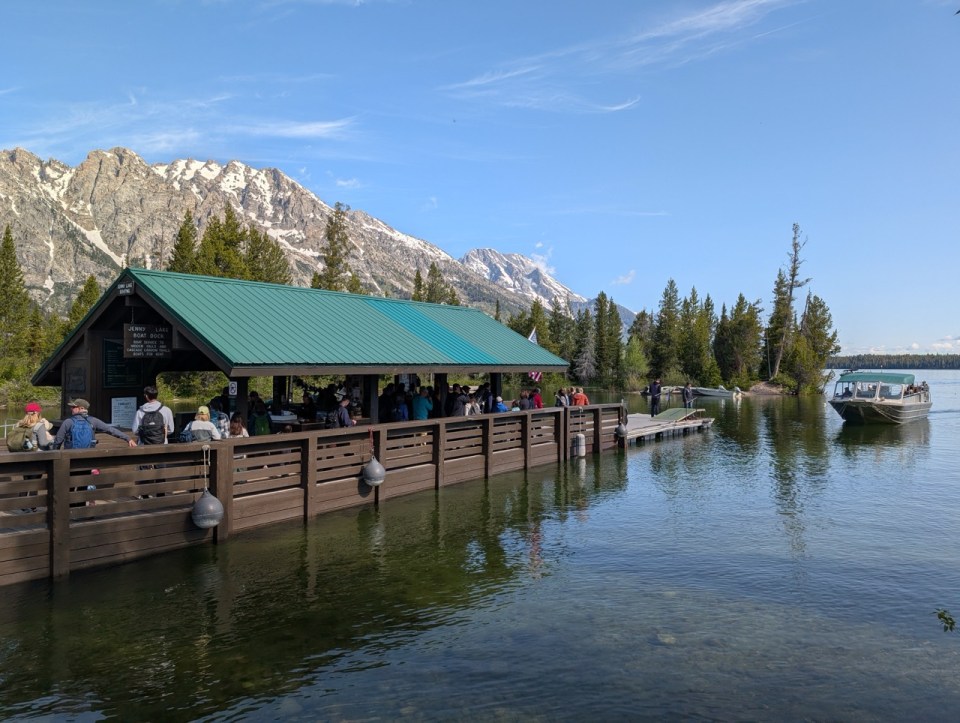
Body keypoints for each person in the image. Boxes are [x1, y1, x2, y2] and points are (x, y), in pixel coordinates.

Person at [53, 399, 137, 449]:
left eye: (74, 407)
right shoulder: (93, 421)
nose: (71, 409)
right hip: (89, 458)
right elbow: (110, 430)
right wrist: (128, 438)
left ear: (81, 408)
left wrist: (55, 453)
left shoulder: (68, 422)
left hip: (71, 459)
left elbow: (58, 440)